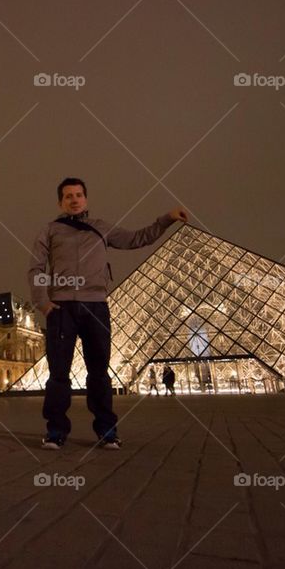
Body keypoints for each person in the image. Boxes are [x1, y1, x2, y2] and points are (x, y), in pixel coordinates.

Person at [28, 177, 187, 450]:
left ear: (86, 199)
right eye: (68, 196)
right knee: (58, 374)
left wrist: (167, 219)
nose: (74, 200)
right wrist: (42, 302)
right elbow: (36, 268)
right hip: (61, 307)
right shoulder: (50, 230)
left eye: (78, 195)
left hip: (96, 306)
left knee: (100, 373)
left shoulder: (101, 228)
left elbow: (137, 238)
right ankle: (55, 431)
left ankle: (107, 432)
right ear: (60, 202)